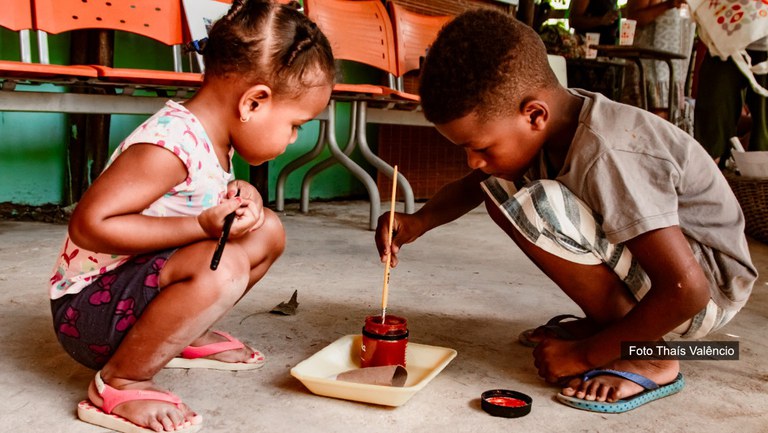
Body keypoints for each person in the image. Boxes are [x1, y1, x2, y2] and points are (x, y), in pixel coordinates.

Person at [376, 9, 756, 413]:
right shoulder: (556, 122)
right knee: (498, 188)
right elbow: (476, 186)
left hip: (704, 294)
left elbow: (687, 290)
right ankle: (616, 326)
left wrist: (587, 355)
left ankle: (651, 356)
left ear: (534, 115)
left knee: (537, 205)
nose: (472, 161)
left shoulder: (608, 153)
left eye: (481, 147)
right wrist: (418, 221)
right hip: (677, 285)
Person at [48, 1, 334, 431]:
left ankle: (179, 335)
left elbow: (195, 201)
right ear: (254, 102)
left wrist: (242, 195)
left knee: (267, 230)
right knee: (226, 262)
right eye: (297, 124)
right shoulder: (168, 147)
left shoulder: (214, 137)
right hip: (87, 314)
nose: (294, 138)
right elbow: (90, 226)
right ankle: (119, 382)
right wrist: (200, 226)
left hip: (132, 296)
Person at [694, 36, 768, 168]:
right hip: (724, 38)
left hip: (763, 43)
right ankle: (709, 178)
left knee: (763, 142)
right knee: (712, 128)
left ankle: (757, 184)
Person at [623, 0, 696, 131]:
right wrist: (669, 4)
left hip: (675, 66)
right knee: (651, 119)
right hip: (650, 65)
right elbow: (634, 16)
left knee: (668, 120)